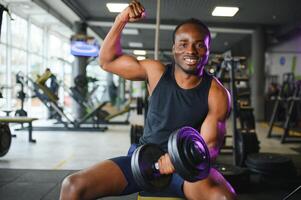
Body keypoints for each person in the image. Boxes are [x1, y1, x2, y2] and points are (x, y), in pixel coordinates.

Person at [60, 1, 235, 199]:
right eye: (183, 44)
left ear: (209, 50)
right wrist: (121, 19)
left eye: (199, 45)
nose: (191, 51)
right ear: (174, 49)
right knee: (73, 186)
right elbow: (107, 61)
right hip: (143, 160)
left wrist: (178, 160)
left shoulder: (216, 92)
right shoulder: (156, 72)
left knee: (224, 198)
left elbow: (210, 146)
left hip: (185, 168)